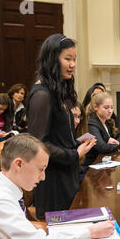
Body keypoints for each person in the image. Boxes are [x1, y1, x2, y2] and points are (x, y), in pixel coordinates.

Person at [26, 34, 96, 220]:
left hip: (66, 173)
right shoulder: (42, 95)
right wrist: (75, 154)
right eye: (67, 59)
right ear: (52, 58)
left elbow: (58, 134)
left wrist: (76, 142)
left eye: (74, 59)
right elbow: (38, 144)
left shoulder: (58, 90)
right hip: (52, 180)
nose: (73, 64)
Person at [83, 92, 120, 166]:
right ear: (95, 107)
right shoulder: (91, 124)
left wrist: (115, 142)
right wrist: (118, 144)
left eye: (112, 107)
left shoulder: (108, 121)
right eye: (106, 107)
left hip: (104, 161)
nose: (110, 111)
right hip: (92, 167)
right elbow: (102, 148)